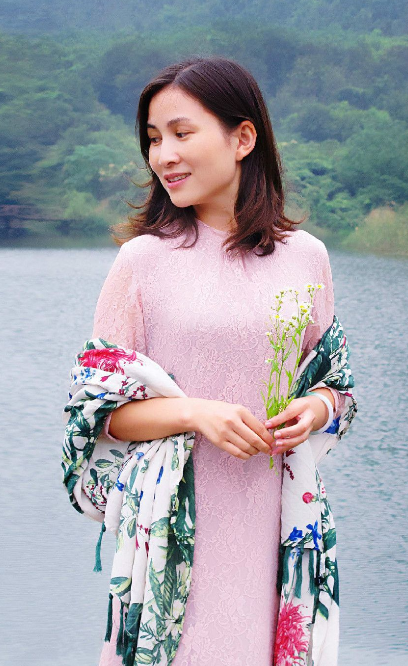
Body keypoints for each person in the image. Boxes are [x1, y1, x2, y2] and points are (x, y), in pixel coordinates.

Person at [92, 56, 345, 666]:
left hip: (276, 527)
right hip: (175, 536)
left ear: (243, 138)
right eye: (154, 139)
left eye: (181, 133)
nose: (164, 155)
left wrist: (314, 409)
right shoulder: (142, 262)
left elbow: (337, 386)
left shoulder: (306, 257)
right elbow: (98, 416)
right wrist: (196, 414)